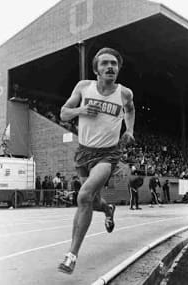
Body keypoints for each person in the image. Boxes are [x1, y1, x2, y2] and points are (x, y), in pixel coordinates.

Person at [58, 47, 135, 274]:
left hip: (108, 154)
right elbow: (63, 113)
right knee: (92, 202)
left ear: (118, 68)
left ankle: (71, 255)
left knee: (83, 196)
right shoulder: (83, 87)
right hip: (84, 152)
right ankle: (108, 209)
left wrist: (129, 130)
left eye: (114, 63)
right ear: (96, 70)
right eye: (105, 63)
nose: (110, 66)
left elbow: (130, 111)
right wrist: (81, 109)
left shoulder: (124, 93)